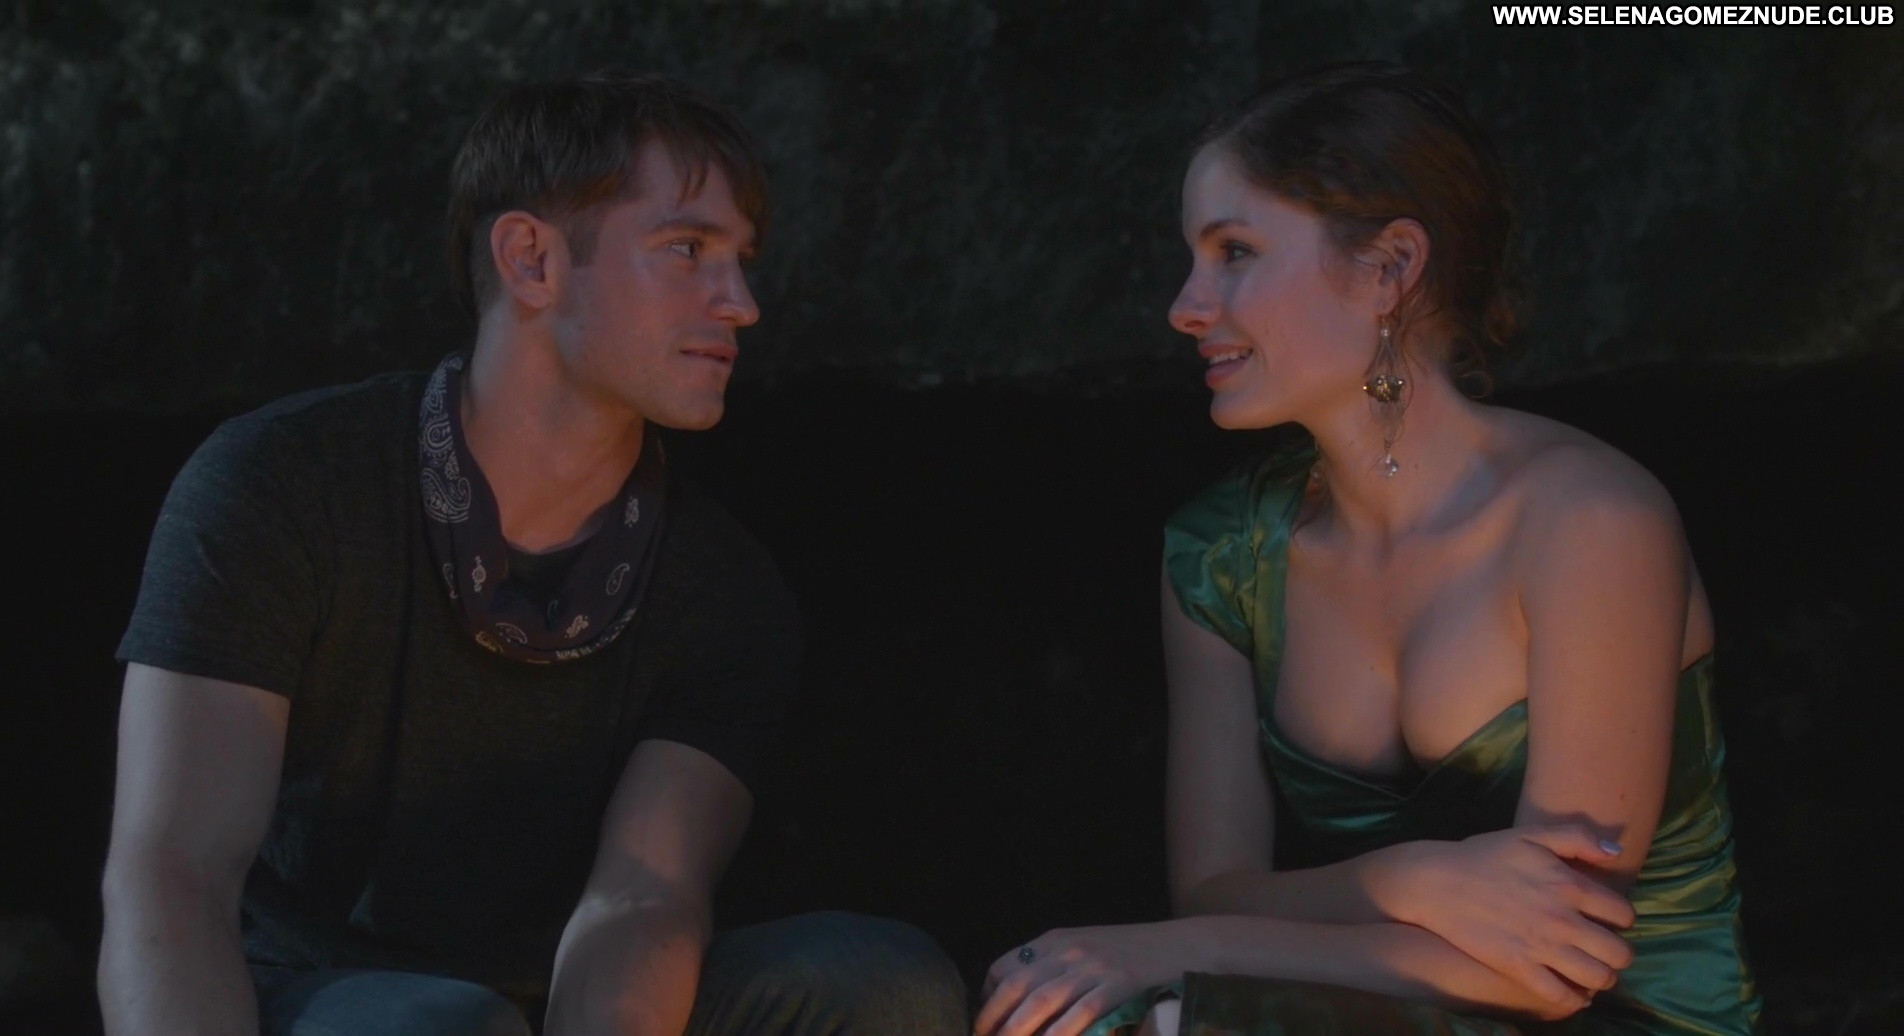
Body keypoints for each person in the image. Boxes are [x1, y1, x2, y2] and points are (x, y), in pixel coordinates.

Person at [98, 70, 967, 1036]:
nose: (742, 303)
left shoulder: (723, 587)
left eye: (742, 260)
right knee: (445, 1027)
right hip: (326, 996)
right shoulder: (281, 484)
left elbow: (642, 897)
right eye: (688, 249)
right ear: (532, 260)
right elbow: (174, 876)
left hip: (576, 995)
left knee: (883, 981)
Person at [975, 62, 1759, 1036]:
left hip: (1619, 1020)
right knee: (1091, 1014)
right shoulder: (1217, 557)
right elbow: (1212, 891)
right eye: (1192, 258)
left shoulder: (1590, 521)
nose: (1185, 305)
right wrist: (1409, 878)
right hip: (1367, 1009)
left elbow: (1555, 966)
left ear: (1389, 268)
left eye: (1233, 251)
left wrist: (1171, 951)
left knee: (1166, 1014)